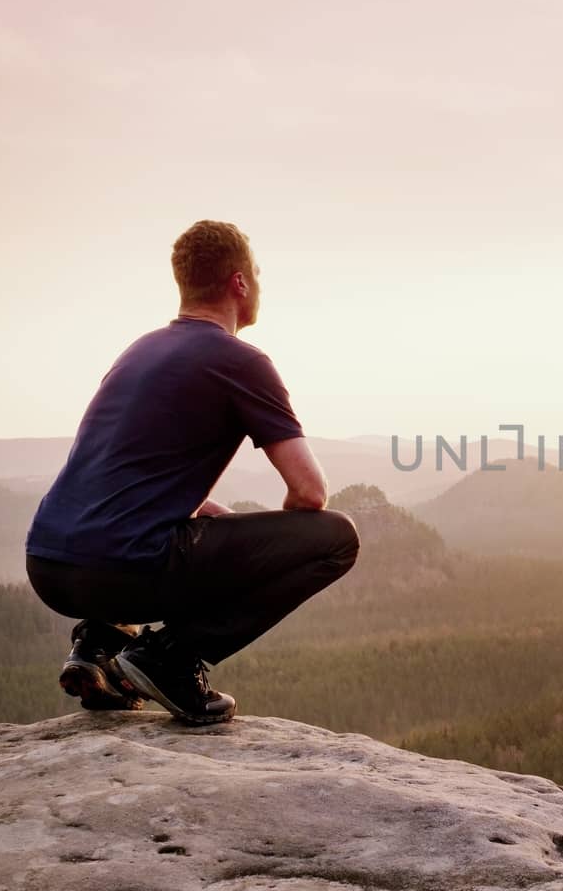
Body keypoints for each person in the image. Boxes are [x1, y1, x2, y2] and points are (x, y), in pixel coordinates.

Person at [24, 220, 360, 725]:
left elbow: (126, 477)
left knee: (158, 536)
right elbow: (309, 493)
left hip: (49, 566)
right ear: (239, 283)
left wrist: (215, 530)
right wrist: (265, 551)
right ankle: (173, 657)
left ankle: (97, 647)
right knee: (336, 538)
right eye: (257, 275)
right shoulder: (240, 360)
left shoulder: (139, 351)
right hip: (126, 567)